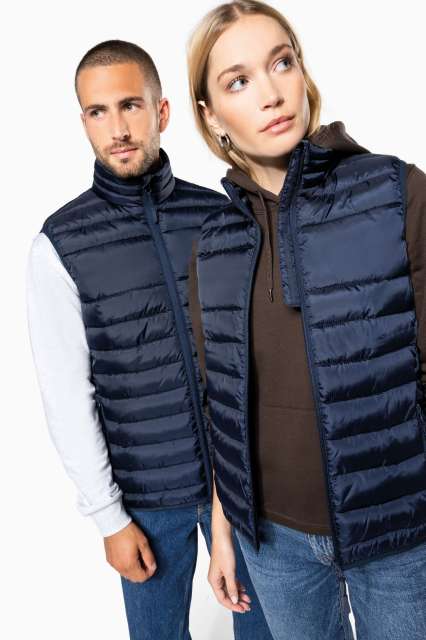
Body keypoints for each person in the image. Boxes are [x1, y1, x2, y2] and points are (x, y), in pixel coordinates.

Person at [186, 1, 426, 638]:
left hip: (399, 534)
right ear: (211, 115)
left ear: (302, 72)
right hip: (275, 545)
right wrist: (224, 529)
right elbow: (221, 405)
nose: (270, 93)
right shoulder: (212, 246)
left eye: (281, 63)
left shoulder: (396, 192)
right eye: (238, 81)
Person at [25, 38, 274, 640]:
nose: (117, 129)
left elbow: (260, 352)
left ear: (161, 111)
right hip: (144, 502)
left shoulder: (219, 216)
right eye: (98, 111)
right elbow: (67, 395)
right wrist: (109, 518)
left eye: (131, 106)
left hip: (242, 490)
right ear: (83, 122)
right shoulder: (60, 245)